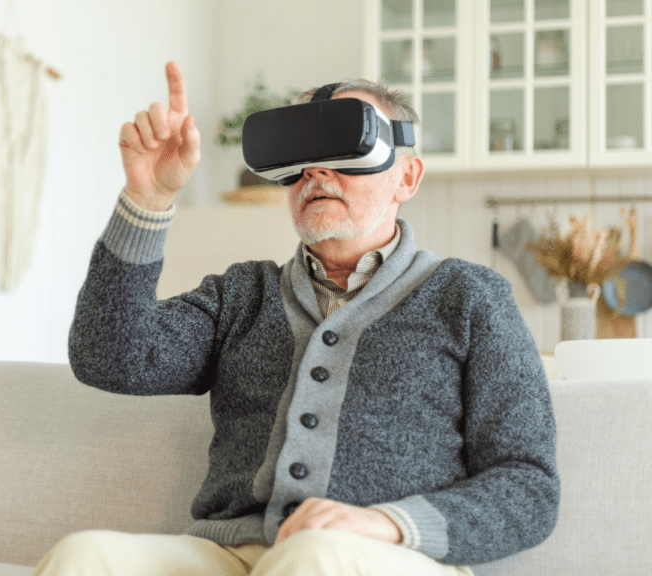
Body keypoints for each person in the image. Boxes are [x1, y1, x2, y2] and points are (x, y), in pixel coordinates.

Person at [33, 61, 559, 576]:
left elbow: (528, 487)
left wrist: (385, 523)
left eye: (348, 149)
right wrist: (149, 197)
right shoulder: (242, 295)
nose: (315, 173)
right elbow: (110, 358)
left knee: (313, 558)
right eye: (300, 157)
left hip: (387, 556)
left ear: (408, 177)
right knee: (85, 557)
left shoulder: (470, 298)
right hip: (231, 555)